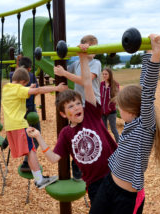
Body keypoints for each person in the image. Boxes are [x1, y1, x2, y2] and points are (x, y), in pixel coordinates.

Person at [27, 43, 117, 203]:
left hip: (114, 173)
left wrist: (82, 57)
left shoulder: (91, 112)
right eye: (70, 106)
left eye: (77, 103)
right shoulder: (67, 133)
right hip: (94, 183)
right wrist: (39, 137)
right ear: (63, 114)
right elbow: (54, 158)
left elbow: (88, 83)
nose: (76, 107)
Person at [89, 34, 160, 214]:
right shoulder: (132, 123)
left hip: (126, 198)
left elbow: (147, 92)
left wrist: (156, 53)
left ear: (131, 110)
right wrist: (147, 52)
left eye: (120, 107)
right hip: (109, 183)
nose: (118, 110)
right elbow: (142, 87)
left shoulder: (145, 127)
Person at [2, 67, 67, 189]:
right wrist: (57, 88)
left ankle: (38, 178)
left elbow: (20, 91)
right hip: (20, 125)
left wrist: (28, 88)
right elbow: (39, 90)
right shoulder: (19, 89)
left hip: (10, 127)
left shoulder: (7, 88)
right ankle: (39, 180)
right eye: (25, 84)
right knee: (31, 149)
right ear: (22, 81)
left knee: (29, 150)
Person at [54, 35, 101, 180]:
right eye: (88, 47)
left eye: (93, 48)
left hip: (91, 104)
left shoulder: (95, 63)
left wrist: (64, 73)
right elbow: (62, 68)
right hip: (77, 105)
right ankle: (77, 166)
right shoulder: (76, 64)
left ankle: (90, 165)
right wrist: (69, 50)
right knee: (76, 135)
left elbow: (84, 81)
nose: (90, 51)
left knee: (89, 134)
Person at [2, 55, 41, 173]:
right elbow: (36, 92)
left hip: (16, 113)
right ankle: (26, 164)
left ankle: (7, 140)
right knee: (35, 135)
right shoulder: (32, 76)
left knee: (19, 132)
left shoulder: (11, 76)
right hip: (28, 109)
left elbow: (16, 75)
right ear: (29, 69)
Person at [100, 67, 119, 143]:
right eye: (103, 74)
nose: (104, 75)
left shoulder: (115, 84)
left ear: (110, 75)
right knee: (104, 130)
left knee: (113, 129)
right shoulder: (101, 84)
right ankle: (107, 144)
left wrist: (112, 103)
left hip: (111, 112)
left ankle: (119, 143)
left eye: (106, 74)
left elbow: (117, 97)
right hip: (102, 112)